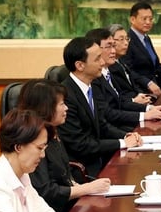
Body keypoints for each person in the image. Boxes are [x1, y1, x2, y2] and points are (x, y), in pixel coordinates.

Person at [18, 79, 111, 212]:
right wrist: (86, 189)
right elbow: (46, 192)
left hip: (66, 205)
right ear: (45, 107)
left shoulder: (53, 132)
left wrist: (83, 187)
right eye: (62, 104)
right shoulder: (33, 143)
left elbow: (64, 176)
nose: (66, 108)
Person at [57, 36, 142, 177]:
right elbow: (80, 144)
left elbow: (102, 125)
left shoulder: (92, 86)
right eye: (97, 59)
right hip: (82, 169)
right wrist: (122, 143)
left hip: (100, 158)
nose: (102, 63)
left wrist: (126, 135)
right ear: (80, 65)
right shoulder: (65, 96)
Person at [85, 28, 161, 129]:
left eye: (113, 46)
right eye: (109, 47)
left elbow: (120, 102)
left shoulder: (108, 71)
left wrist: (149, 108)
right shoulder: (94, 78)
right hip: (114, 127)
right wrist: (143, 115)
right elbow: (108, 113)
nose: (113, 51)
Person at [122, 2, 161, 96]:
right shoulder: (127, 40)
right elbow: (127, 70)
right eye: (144, 19)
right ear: (132, 19)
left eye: (150, 19)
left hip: (156, 86)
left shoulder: (146, 38)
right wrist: (148, 83)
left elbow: (156, 66)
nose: (148, 22)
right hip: (140, 91)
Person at [108, 23, 154, 106]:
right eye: (121, 39)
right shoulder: (108, 67)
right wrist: (134, 100)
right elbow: (119, 97)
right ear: (110, 42)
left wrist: (141, 95)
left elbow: (133, 85)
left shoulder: (121, 60)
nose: (126, 43)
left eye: (127, 39)